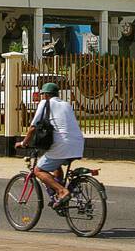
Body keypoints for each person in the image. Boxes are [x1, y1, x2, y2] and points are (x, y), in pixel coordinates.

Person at [15, 81, 84, 209]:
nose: (42, 97)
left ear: (46, 95)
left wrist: (24, 143)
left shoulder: (45, 103)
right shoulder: (66, 104)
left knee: (38, 170)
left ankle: (62, 191)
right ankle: (60, 194)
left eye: (42, 95)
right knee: (56, 166)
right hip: (78, 144)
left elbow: (33, 127)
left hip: (62, 145)